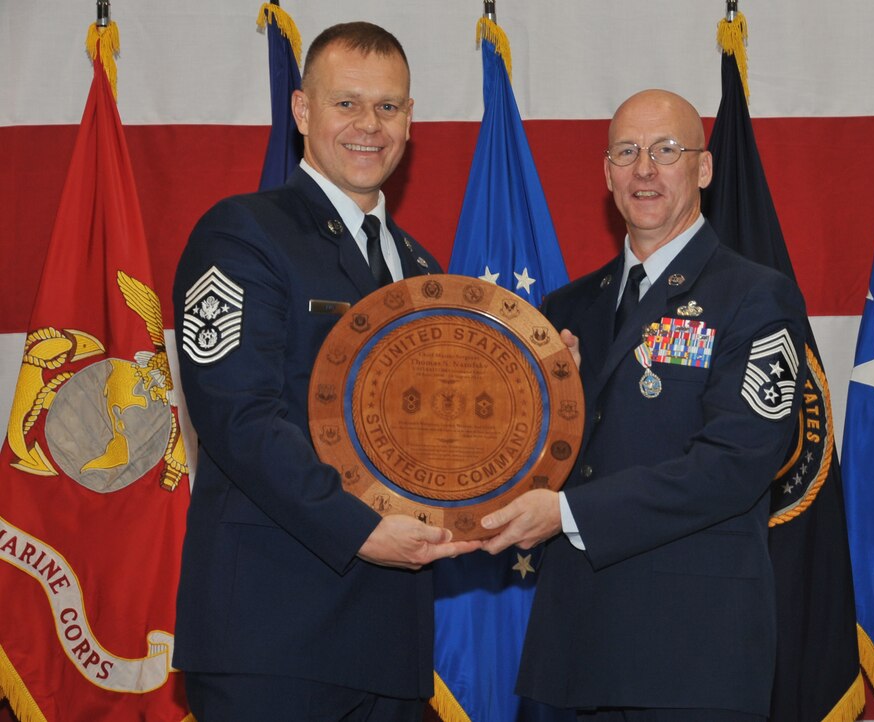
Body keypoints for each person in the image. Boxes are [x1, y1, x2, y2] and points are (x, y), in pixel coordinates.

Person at [172, 22, 478, 722]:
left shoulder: (424, 268)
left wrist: (536, 376)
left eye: (389, 107)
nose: (370, 125)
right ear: (304, 112)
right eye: (347, 104)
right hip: (273, 635)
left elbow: (440, 431)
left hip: (393, 640)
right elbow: (238, 415)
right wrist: (361, 528)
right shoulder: (243, 233)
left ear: (410, 121)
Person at [479, 89, 809, 722]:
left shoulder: (756, 298)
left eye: (666, 150)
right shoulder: (565, 311)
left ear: (703, 168)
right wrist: (541, 400)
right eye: (627, 152)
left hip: (689, 658)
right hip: (571, 652)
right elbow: (534, 458)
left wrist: (568, 512)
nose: (645, 169)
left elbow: (735, 465)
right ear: (607, 173)